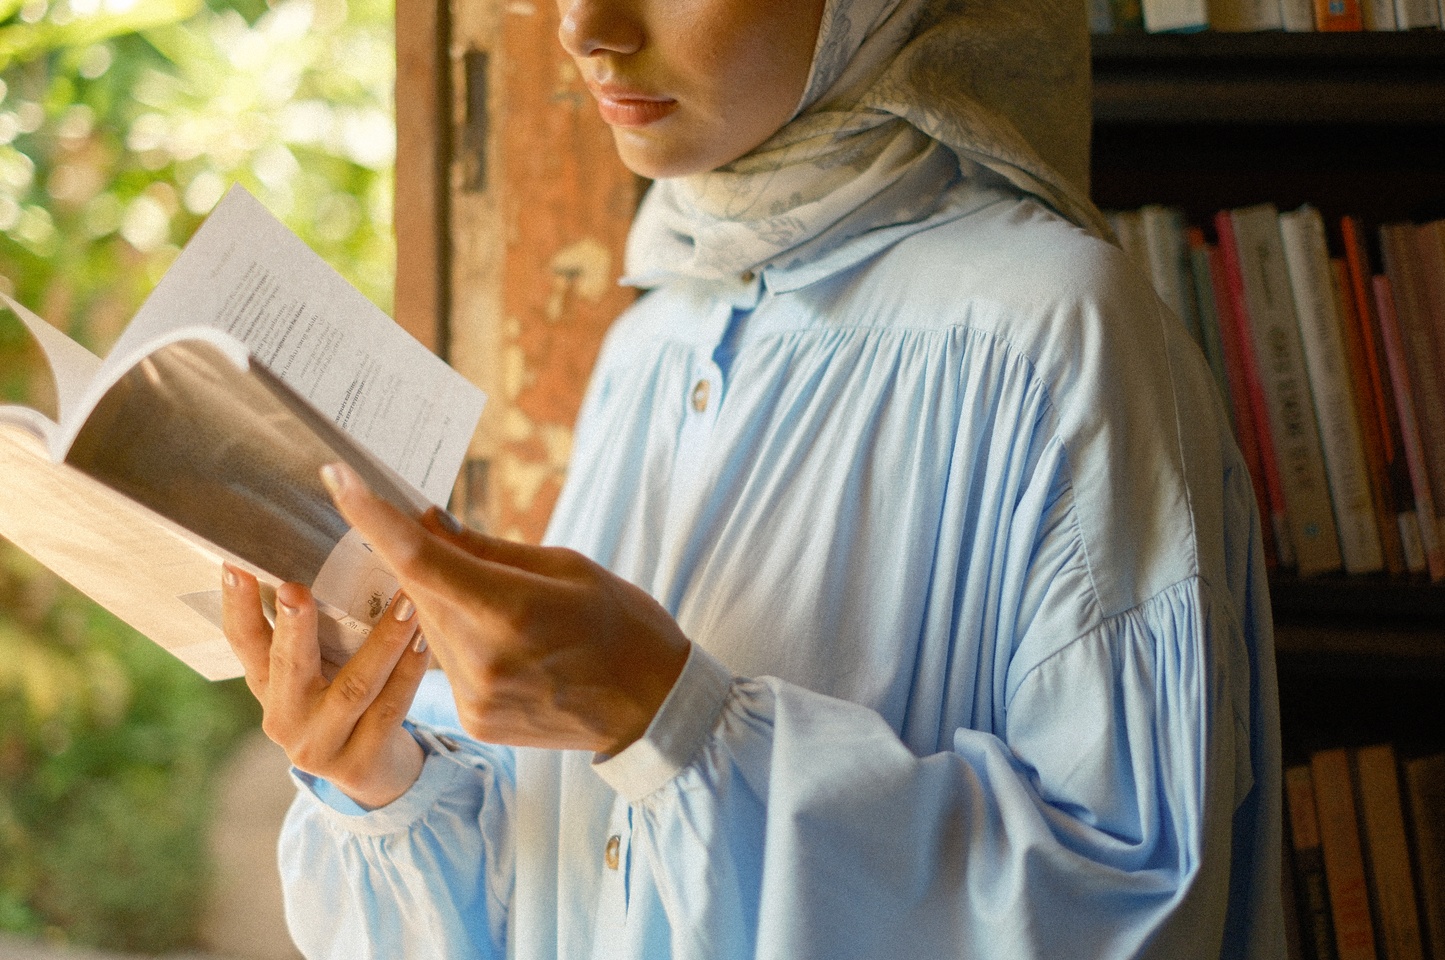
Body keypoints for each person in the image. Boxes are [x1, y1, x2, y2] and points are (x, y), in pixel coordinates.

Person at [220, 0, 1286, 956]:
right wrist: (384, 778)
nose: (583, 27)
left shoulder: (1053, 332)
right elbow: (581, 893)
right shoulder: (657, 339)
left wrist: (664, 715)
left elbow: (1130, 911)